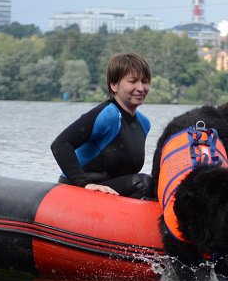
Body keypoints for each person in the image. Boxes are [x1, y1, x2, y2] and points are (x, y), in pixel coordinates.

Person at [51, 52, 153, 198]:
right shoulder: (108, 115)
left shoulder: (144, 123)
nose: (141, 88)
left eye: (144, 81)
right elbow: (60, 144)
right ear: (114, 85)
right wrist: (84, 184)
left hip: (110, 193)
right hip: (79, 190)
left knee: (153, 183)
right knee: (144, 182)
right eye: (133, 81)